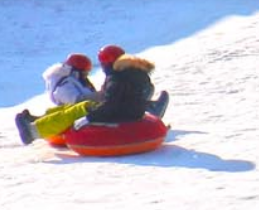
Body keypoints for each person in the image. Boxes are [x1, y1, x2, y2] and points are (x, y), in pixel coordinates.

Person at [15, 54, 155, 145]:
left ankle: (32, 131)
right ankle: (37, 120)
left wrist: (89, 117)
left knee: (76, 111)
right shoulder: (136, 78)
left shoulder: (118, 79)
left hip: (119, 116)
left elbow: (112, 105)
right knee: (78, 106)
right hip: (127, 113)